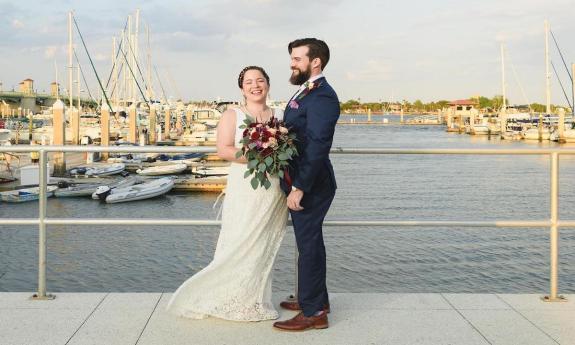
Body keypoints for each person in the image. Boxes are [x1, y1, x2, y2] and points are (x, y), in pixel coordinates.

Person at [166, 66, 288, 321]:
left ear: (268, 84)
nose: (255, 85)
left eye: (260, 80)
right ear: (242, 88)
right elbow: (223, 149)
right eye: (249, 82)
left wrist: (275, 151)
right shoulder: (233, 114)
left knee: (263, 244)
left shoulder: (280, 114)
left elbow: (287, 147)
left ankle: (254, 297)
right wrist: (259, 155)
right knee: (239, 240)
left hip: (273, 189)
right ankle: (221, 296)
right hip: (246, 186)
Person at [273, 38, 340, 332]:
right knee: (310, 243)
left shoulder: (323, 95)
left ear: (316, 62)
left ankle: (313, 314)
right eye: (292, 58)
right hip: (302, 179)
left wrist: (299, 186)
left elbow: (318, 145)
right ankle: (315, 300)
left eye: (297, 58)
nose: (292, 63)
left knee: (309, 245)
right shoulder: (307, 91)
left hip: (311, 184)